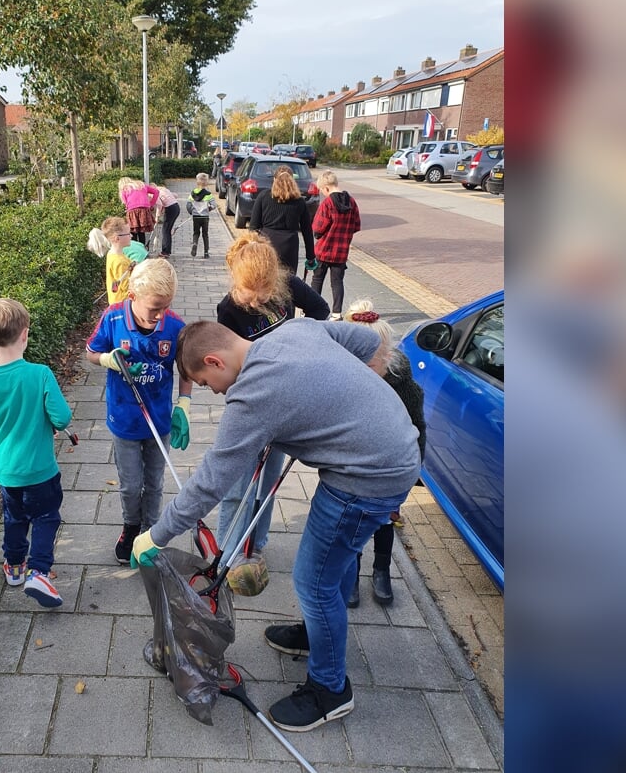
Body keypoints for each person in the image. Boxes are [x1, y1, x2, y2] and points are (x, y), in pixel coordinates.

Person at [131, 318, 419, 732]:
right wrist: (353, 397)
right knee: (331, 565)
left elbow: (211, 481)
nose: (216, 392)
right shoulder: (291, 332)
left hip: (368, 478)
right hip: (393, 451)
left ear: (214, 360)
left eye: (207, 382)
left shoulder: (253, 394)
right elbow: (368, 340)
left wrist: (155, 534)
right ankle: (319, 637)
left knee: (313, 581)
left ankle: (330, 690)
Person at [212, 233, 328, 594]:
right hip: (252, 402)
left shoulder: (288, 286)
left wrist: (299, 338)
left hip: (287, 398)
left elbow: (321, 311)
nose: (259, 299)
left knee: (270, 478)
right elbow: (228, 370)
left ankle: (255, 543)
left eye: (265, 291)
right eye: (251, 292)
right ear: (237, 281)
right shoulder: (227, 310)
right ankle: (227, 551)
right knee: (237, 482)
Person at [86, 258, 193, 564]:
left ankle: (151, 531)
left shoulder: (174, 326)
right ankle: (131, 526)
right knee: (132, 485)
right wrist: (108, 360)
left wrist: (183, 405)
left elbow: (185, 369)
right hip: (125, 419)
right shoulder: (114, 318)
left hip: (159, 420)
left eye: (165, 307)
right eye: (154, 309)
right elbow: (91, 352)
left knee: (156, 482)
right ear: (132, 296)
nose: (159, 316)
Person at [0, 298, 72, 608]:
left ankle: (14, 566)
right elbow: (62, 417)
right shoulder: (39, 374)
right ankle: (39, 571)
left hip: (5, 469)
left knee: (13, 517)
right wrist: (49, 422)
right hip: (40, 469)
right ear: (25, 334)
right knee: (46, 517)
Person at [341, 299, 426, 607]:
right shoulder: (342, 375)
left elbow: (418, 430)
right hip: (353, 464)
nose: (363, 370)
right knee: (351, 520)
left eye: (370, 363)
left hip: (390, 466)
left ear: (386, 356)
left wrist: (409, 480)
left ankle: (381, 570)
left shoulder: (403, 385)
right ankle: (350, 571)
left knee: (385, 520)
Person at [310, 171, 363, 321]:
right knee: (337, 282)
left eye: (321, 190)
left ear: (326, 188)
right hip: (341, 252)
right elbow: (356, 225)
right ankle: (336, 313)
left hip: (324, 250)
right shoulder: (352, 202)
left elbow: (318, 227)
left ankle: (313, 310)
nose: (322, 193)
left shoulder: (327, 203)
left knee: (317, 279)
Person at [248, 166, 316, 275]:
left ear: (274, 180)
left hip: (267, 244)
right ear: (292, 181)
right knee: (289, 282)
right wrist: (310, 257)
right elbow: (307, 231)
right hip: (290, 247)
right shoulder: (299, 201)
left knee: (267, 280)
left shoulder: (263, 196)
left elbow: (253, 227)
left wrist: (252, 249)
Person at [98, 216, 147, 305]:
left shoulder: (112, 254)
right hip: (122, 304)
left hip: (116, 300)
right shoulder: (120, 262)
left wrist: (132, 265)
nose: (131, 236)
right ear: (117, 238)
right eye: (128, 233)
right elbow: (127, 288)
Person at [118, 177, 160, 246]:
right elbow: (156, 192)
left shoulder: (124, 189)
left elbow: (126, 203)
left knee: (133, 231)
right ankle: (142, 249)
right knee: (141, 231)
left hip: (132, 211)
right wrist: (151, 203)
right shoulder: (141, 185)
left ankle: (135, 249)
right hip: (144, 210)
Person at [186, 172, 215, 259]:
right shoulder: (208, 194)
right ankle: (206, 253)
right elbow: (213, 205)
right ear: (206, 183)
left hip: (196, 217)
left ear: (197, 182)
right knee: (205, 234)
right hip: (205, 217)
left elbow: (188, 205)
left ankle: (195, 243)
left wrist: (192, 211)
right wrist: (208, 208)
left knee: (196, 232)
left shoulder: (192, 193)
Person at [155, 183, 181, 258]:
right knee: (168, 230)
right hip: (176, 207)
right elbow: (176, 195)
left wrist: (157, 216)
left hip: (170, 209)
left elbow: (159, 204)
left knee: (165, 230)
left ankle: (165, 252)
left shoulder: (156, 192)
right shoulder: (164, 190)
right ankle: (167, 251)